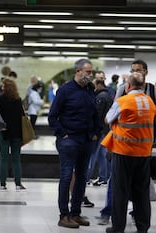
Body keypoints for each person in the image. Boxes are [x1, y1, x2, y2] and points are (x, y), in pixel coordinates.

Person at [99, 60, 156, 225]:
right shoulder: (150, 101)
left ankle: (118, 226)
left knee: (119, 190)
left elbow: (108, 119)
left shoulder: (123, 100)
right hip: (143, 152)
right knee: (142, 191)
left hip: (124, 151)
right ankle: (143, 226)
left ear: (128, 86)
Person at [48, 58, 101, 229]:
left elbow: (94, 113)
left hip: (86, 140)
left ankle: (76, 213)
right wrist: (62, 134)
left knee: (82, 178)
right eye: (87, 72)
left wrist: (95, 133)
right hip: (69, 140)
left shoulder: (90, 89)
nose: (90, 75)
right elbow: (52, 116)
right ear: (78, 71)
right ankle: (64, 215)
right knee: (66, 176)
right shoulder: (65, 90)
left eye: (91, 72)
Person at [0, 78, 27, 191]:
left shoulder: (2, 99)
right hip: (17, 133)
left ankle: (2, 184)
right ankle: (18, 184)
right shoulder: (18, 99)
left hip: (4, 132)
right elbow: (22, 116)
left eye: (3, 86)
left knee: (3, 158)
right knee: (16, 159)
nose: (2, 87)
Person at [86, 78, 113, 186]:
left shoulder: (100, 97)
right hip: (106, 129)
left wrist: (94, 131)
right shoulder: (108, 95)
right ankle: (103, 177)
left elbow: (97, 115)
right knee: (102, 155)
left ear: (98, 84)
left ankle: (87, 177)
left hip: (99, 130)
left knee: (93, 154)